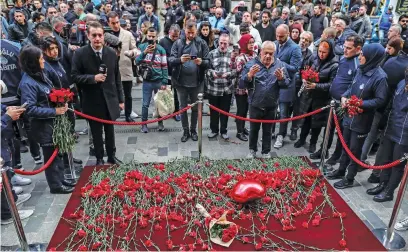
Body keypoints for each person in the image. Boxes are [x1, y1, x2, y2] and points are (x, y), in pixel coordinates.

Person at [329, 43, 388, 189]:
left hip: (362, 120)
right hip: (349, 116)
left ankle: (349, 177)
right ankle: (341, 170)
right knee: (345, 145)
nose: (360, 57)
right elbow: (351, 87)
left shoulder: (380, 77)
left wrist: (360, 104)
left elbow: (380, 100)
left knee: (354, 150)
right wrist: (344, 97)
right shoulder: (360, 69)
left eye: (363, 55)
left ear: (371, 58)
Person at [18, 45, 75, 194]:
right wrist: (54, 110)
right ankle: (55, 185)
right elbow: (29, 109)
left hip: (52, 123)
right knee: (50, 155)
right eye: (41, 59)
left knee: (58, 153)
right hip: (43, 125)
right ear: (33, 62)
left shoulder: (39, 74)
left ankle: (61, 178)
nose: (43, 61)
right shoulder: (28, 83)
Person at [71, 21, 124, 165]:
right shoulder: (80, 54)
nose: (97, 38)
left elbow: (117, 77)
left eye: (100, 35)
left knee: (110, 131)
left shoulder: (111, 53)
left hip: (110, 100)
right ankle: (99, 158)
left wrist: (121, 99)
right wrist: (92, 78)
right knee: (96, 133)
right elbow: (74, 76)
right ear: (88, 36)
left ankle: (112, 156)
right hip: (91, 100)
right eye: (94, 35)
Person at [240, 41, 290, 158]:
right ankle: (252, 150)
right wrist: (249, 75)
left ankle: (266, 152)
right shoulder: (251, 64)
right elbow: (241, 84)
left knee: (268, 131)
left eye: (271, 53)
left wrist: (281, 78)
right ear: (260, 52)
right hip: (255, 104)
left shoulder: (280, 65)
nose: (268, 56)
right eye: (265, 53)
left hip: (271, 105)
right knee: (254, 130)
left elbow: (286, 84)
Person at [365, 77, 408, 202]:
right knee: (386, 159)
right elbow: (391, 103)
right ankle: (382, 184)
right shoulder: (400, 83)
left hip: (404, 135)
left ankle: (389, 191)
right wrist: (383, 121)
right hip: (391, 127)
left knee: (397, 165)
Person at [168, 20, 209, 142]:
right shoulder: (178, 43)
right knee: (183, 107)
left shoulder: (202, 43)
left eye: (193, 32)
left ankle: (193, 130)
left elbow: (208, 62)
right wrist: (179, 60)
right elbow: (170, 59)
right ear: (184, 30)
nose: (191, 35)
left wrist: (201, 62)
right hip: (181, 82)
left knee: (196, 108)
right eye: (188, 32)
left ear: (196, 30)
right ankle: (185, 131)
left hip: (197, 82)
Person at [295, 40, 338, 153]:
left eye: (324, 52)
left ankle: (313, 142)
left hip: (321, 99)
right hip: (308, 95)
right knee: (305, 119)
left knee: (316, 123)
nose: (321, 54)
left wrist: (316, 86)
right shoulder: (313, 58)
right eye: (320, 51)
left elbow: (332, 84)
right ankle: (302, 139)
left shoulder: (334, 65)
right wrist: (304, 78)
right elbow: (304, 69)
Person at [273, 24, 302, 149]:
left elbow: (295, 68)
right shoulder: (274, 44)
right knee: (272, 110)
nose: (278, 38)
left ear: (288, 34)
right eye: (277, 35)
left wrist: (279, 63)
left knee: (284, 113)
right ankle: (272, 131)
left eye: (281, 36)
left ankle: (281, 135)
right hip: (273, 83)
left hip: (287, 84)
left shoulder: (295, 48)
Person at [136, 27, 168, 133]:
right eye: (149, 36)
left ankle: (160, 123)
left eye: (153, 36)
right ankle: (143, 124)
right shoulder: (141, 47)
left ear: (156, 37)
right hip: (147, 81)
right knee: (145, 103)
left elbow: (164, 66)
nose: (151, 38)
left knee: (159, 103)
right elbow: (136, 61)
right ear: (146, 36)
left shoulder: (161, 49)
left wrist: (164, 81)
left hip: (158, 81)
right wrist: (144, 52)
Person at [107, 11, 137, 123]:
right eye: (113, 23)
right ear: (108, 23)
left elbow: (135, 48)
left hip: (125, 68)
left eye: (117, 22)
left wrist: (132, 53)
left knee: (128, 95)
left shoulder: (128, 34)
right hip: (110, 70)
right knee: (111, 94)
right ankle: (113, 115)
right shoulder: (104, 35)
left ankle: (128, 115)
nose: (116, 25)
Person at [206, 33, 236, 140]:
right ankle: (214, 130)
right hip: (213, 88)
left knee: (225, 111)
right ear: (218, 42)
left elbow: (236, 70)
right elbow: (206, 69)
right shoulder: (211, 54)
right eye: (221, 43)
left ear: (229, 43)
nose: (223, 45)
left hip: (226, 89)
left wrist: (228, 74)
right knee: (214, 111)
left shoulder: (232, 54)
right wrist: (212, 73)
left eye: (225, 43)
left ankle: (224, 130)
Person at [290, 31, 314, 141]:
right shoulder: (293, 49)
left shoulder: (311, 56)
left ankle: (294, 130)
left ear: (310, 43)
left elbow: (308, 71)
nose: (303, 41)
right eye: (302, 38)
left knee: (297, 109)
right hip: (289, 83)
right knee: (285, 108)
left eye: (306, 40)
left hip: (300, 86)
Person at [235, 34, 256, 142]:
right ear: (244, 44)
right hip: (242, 88)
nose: (252, 45)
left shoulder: (254, 55)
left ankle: (243, 127)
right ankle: (239, 131)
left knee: (246, 109)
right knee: (241, 110)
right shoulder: (240, 58)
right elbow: (238, 73)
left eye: (253, 42)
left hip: (251, 88)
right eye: (249, 43)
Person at [159, 24, 181, 121]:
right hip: (165, 71)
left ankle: (176, 112)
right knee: (165, 92)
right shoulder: (163, 41)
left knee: (176, 93)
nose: (175, 38)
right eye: (173, 36)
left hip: (177, 71)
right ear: (169, 33)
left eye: (177, 36)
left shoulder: (180, 42)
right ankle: (165, 111)